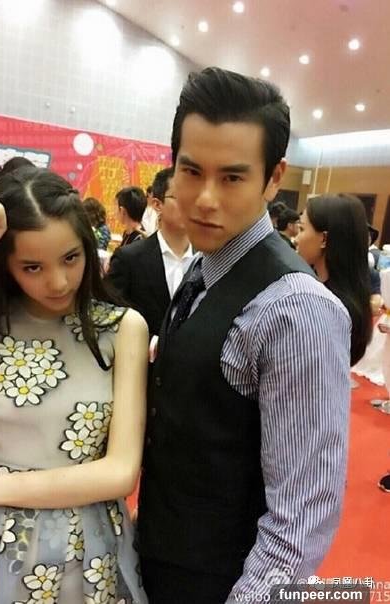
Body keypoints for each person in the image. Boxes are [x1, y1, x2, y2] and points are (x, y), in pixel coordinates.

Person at [137, 67, 351, 604]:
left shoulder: (297, 311)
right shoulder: (205, 264)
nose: (205, 199)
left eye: (232, 178)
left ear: (274, 178)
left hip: (221, 584)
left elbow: (301, 517)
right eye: (191, 171)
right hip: (160, 556)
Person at [0, 168, 149, 603]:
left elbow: (120, 471)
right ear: (4, 264)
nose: (58, 281)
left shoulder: (121, 328)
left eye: (71, 258)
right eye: (32, 267)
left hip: (83, 549)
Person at [107, 167, 194, 339]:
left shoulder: (208, 259)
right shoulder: (129, 259)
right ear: (157, 204)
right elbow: (109, 317)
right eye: (180, 197)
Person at [295, 194, 372, 365]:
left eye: (301, 229)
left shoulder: (329, 306)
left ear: (324, 239)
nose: (296, 239)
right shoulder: (347, 295)